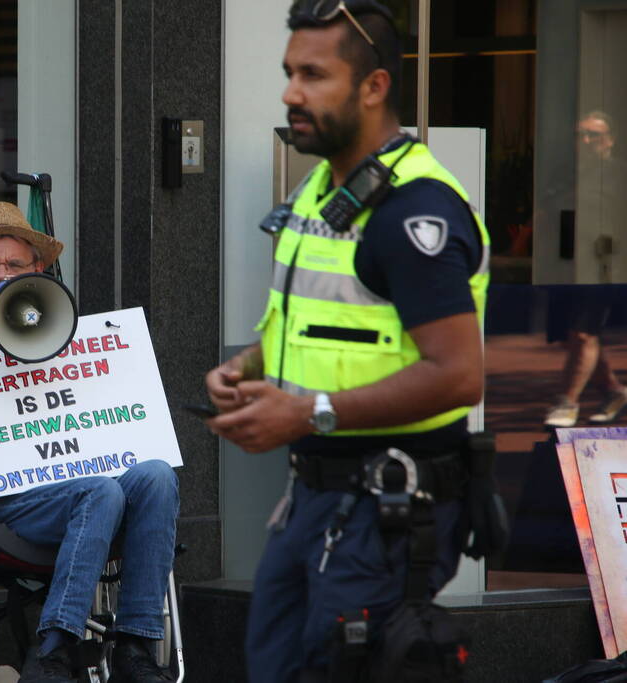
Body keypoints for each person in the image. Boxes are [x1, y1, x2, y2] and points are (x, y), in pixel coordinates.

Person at [204, 2, 488, 680]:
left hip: (385, 506)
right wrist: (246, 367)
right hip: (313, 498)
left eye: (313, 75)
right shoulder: (322, 189)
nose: (289, 93)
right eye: (288, 73)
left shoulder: (413, 211)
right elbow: (326, 326)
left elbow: (458, 375)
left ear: (373, 86)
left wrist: (309, 413)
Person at [0, 201, 179, 683]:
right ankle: (55, 647)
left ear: (38, 272)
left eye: (14, 264)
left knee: (156, 475)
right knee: (102, 491)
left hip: (73, 487)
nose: (1, 274)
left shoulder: (63, 331)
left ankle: (136, 645)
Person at [543, 111, 627, 428]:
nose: (586, 141)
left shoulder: (618, 175)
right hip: (566, 265)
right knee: (573, 337)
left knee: (583, 333)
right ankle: (614, 391)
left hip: (605, 267)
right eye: (581, 135)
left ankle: (567, 402)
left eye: (593, 134)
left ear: (610, 140)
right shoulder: (567, 174)